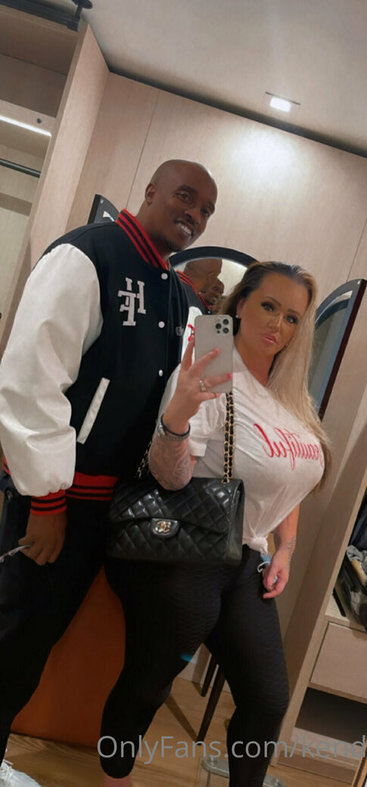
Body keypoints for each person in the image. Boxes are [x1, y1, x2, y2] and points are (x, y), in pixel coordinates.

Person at [0, 159, 218, 787]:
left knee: (37, 644)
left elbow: (198, 401)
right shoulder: (87, 254)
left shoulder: (180, 295)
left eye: (206, 210)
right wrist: (46, 502)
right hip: (59, 502)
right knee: (14, 642)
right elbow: (31, 381)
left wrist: (221, 332)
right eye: (185, 197)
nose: (194, 214)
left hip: (116, 512)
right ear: (149, 191)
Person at [99, 261, 329, 787]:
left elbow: (290, 479)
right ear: (241, 303)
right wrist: (179, 414)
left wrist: (286, 547)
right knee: (153, 678)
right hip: (188, 546)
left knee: (268, 698)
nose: (277, 325)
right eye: (268, 306)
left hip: (246, 557)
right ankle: (115, 777)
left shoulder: (292, 394)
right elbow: (170, 476)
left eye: (292, 317)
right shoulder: (213, 367)